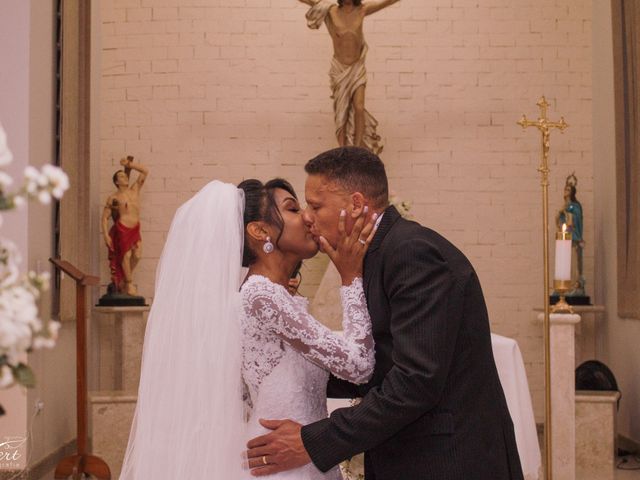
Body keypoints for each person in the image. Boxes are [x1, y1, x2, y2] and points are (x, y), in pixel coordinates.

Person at [246, 147, 524, 480]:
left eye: (316, 205)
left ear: (356, 205)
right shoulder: (376, 254)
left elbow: (415, 381)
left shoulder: (412, 253)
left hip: (447, 460)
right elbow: (381, 360)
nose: (307, 216)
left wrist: (313, 441)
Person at [118, 178, 378, 479]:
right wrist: (350, 277)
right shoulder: (261, 296)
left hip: (298, 458)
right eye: (293, 208)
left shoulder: (276, 297)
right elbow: (358, 365)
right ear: (260, 231)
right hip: (281, 466)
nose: (307, 217)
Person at [297, 0, 400, 154]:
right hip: (339, 70)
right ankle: (343, 149)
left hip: (357, 68)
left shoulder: (362, 10)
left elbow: (385, 2)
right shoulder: (331, 10)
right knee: (341, 113)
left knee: (359, 107)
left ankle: (357, 149)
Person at [102, 156, 148, 296]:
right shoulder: (114, 198)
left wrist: (130, 164)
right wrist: (105, 234)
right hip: (122, 228)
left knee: (138, 255)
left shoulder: (135, 190)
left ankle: (122, 279)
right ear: (116, 181)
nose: (125, 178)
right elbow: (104, 217)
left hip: (135, 228)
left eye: (124, 175)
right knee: (126, 256)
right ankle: (129, 284)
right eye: (121, 177)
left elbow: (145, 171)